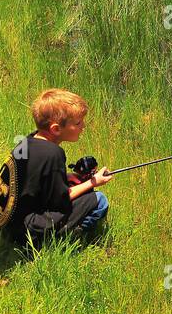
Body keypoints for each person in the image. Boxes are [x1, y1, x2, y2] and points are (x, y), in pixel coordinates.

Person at [7, 89, 112, 248]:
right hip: (26, 234)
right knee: (99, 200)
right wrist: (92, 182)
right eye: (77, 123)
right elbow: (60, 201)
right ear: (56, 129)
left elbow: (34, 180)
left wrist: (66, 177)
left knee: (78, 186)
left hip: (9, 224)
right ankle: (62, 240)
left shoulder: (26, 141)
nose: (83, 126)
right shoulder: (53, 154)